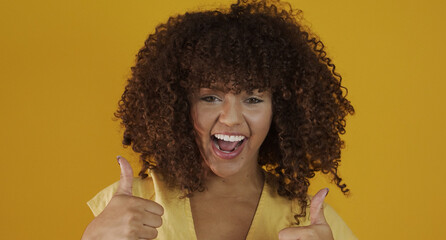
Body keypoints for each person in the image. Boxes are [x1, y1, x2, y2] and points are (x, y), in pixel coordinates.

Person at [81, 0, 357, 239]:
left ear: (281, 111)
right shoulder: (130, 204)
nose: (231, 119)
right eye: (210, 97)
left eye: (253, 99)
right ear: (179, 106)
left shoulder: (312, 221)